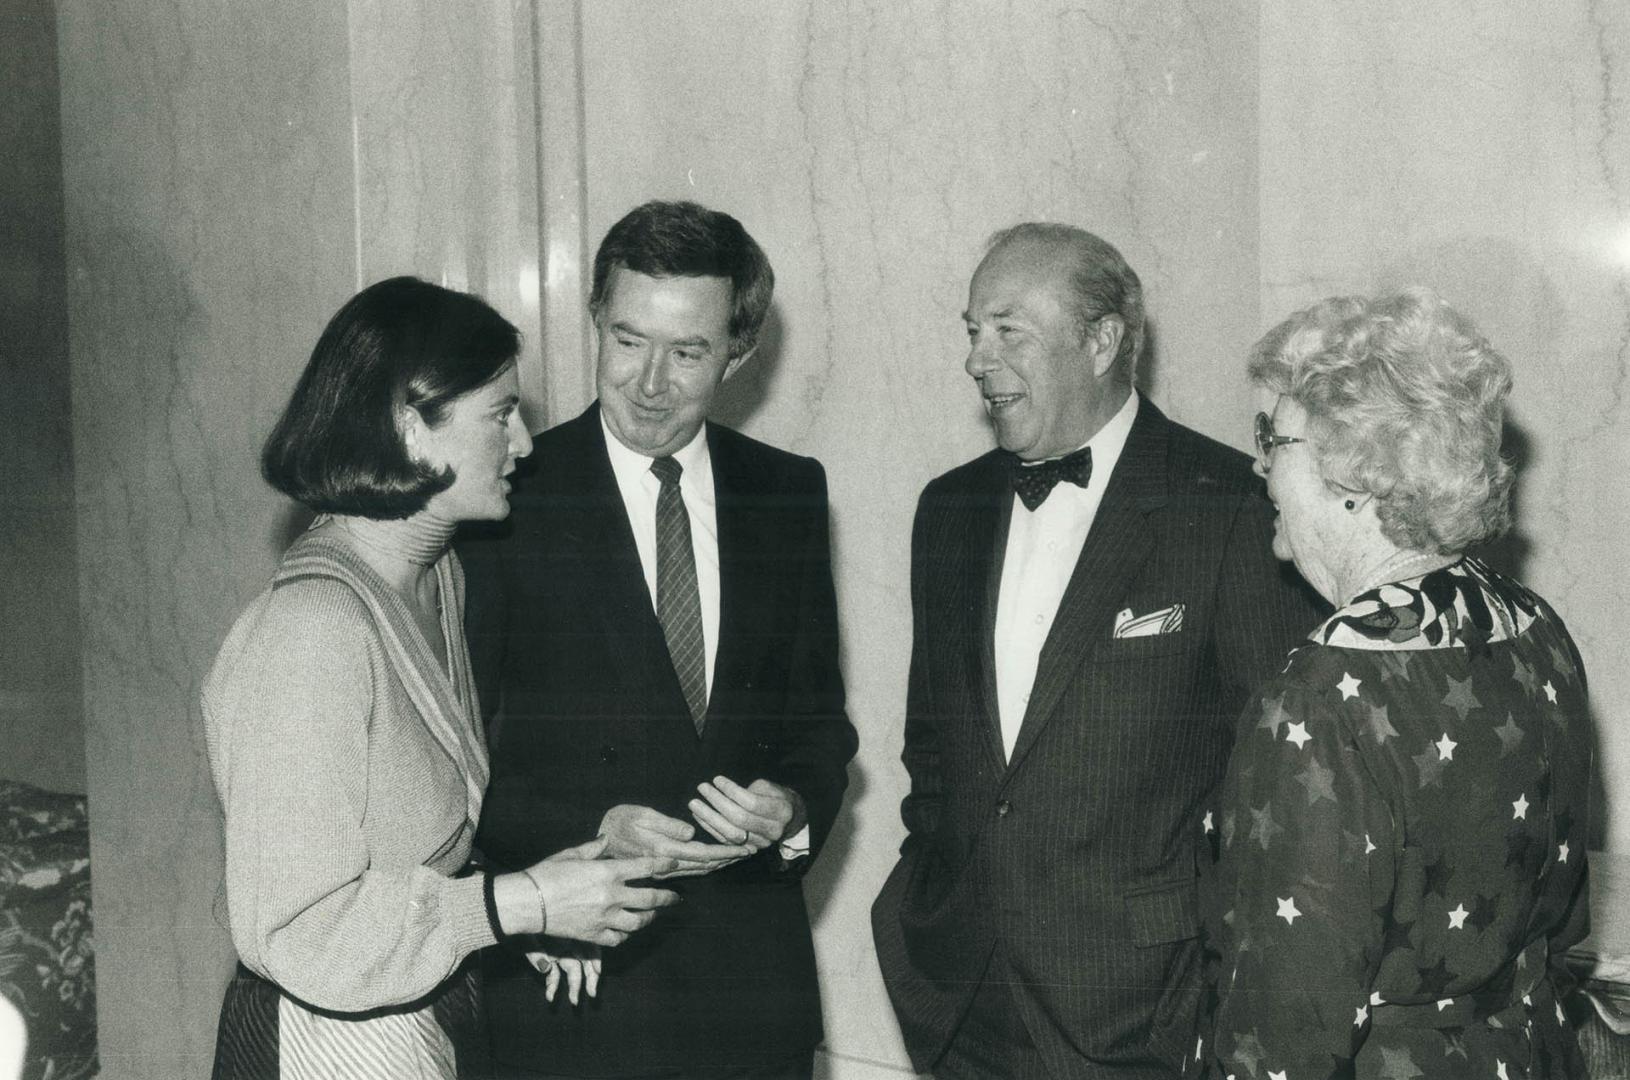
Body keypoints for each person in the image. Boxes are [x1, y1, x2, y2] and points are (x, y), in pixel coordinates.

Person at [872, 223, 1324, 1078]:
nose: (977, 358)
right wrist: (926, 906)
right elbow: (933, 746)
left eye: (1009, 330)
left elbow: (1278, 785)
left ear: (1104, 340)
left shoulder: (1228, 507)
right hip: (962, 996)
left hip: (1143, 1010)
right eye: (972, 331)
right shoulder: (949, 510)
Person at [203, 277, 678, 1078]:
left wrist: (548, 891)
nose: (525, 443)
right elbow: (295, 929)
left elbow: (414, 851)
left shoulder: (436, 580)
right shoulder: (313, 633)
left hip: (415, 1024)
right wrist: (520, 903)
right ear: (410, 430)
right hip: (329, 1044)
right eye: (499, 415)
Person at [460, 200, 857, 1080]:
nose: (649, 382)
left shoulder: (785, 493)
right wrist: (587, 827)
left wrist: (790, 811)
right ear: (596, 322)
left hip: (752, 1000)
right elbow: (454, 754)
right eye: (630, 340)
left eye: (688, 353)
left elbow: (821, 726)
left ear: (739, 355)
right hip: (573, 989)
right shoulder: (507, 498)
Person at [1201, 289, 1591, 1077]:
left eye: (1271, 438)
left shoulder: (1315, 699)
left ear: (1353, 471)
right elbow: (1564, 911)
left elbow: (1283, 1040)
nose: (1257, 464)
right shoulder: (1533, 625)